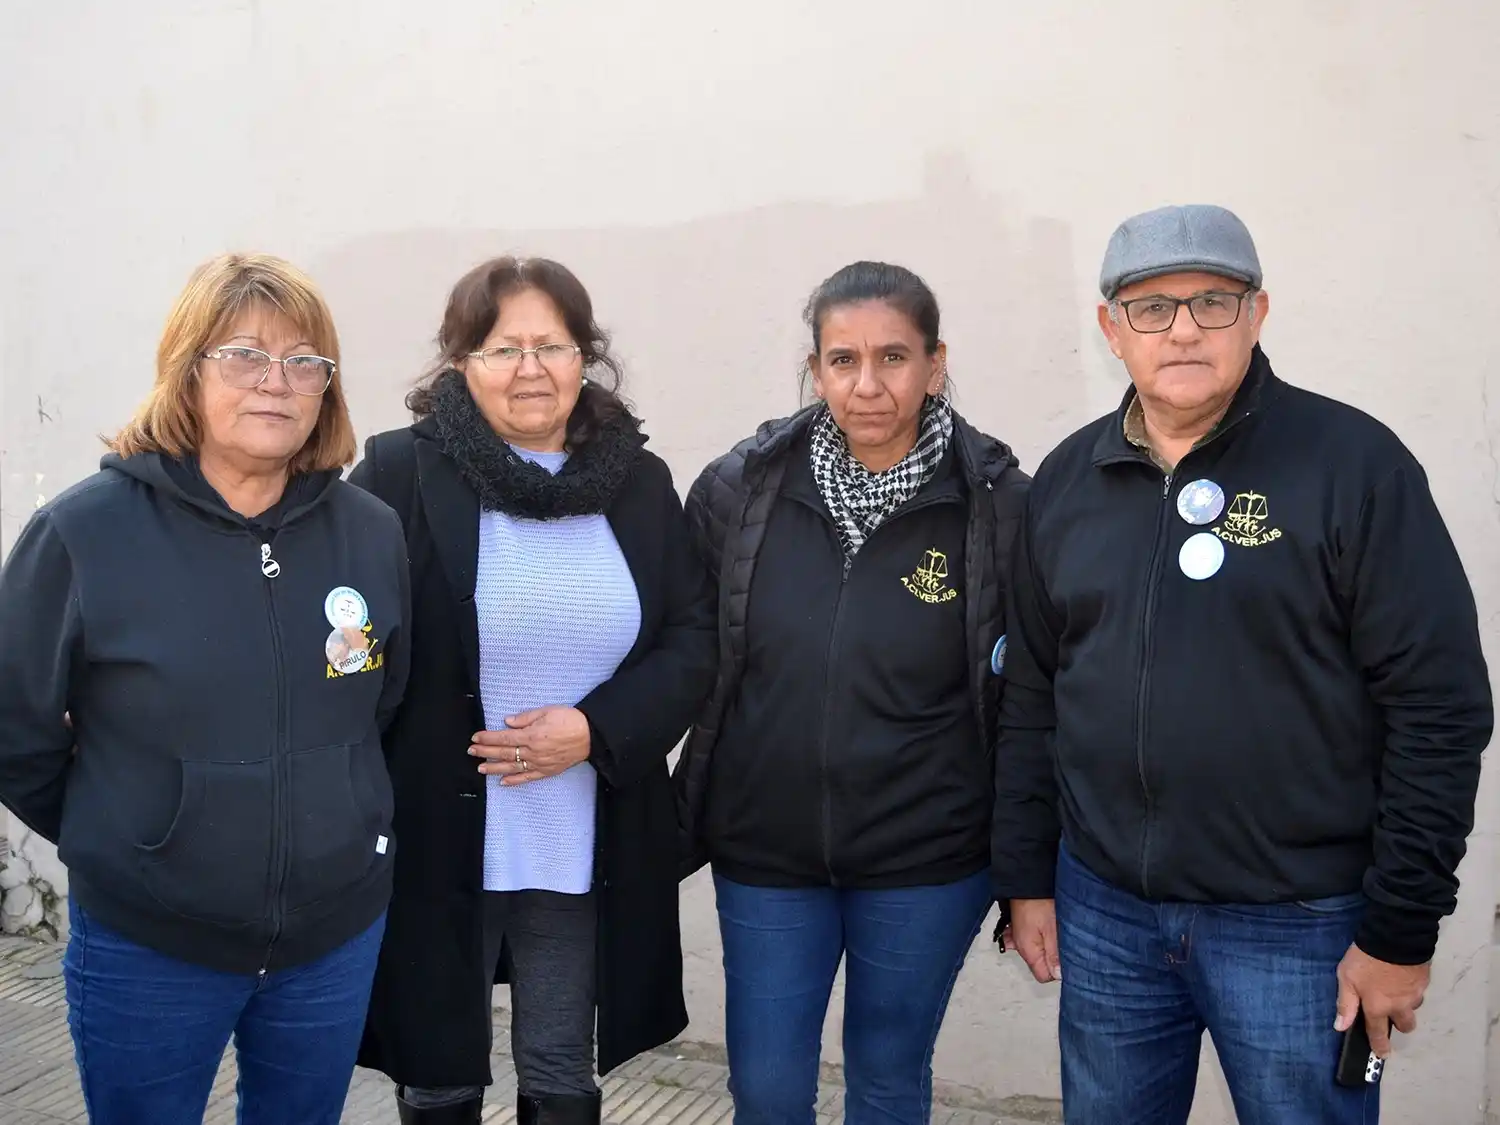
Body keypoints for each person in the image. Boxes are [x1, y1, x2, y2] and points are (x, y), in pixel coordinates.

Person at [992, 203, 1493, 1125]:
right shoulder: (1066, 481)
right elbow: (1032, 694)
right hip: (1108, 916)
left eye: (1212, 301)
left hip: (1301, 924)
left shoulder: (1355, 467)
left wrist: (1399, 929)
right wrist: (1027, 875)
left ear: (1257, 315)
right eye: (1151, 306)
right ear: (1111, 329)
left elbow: (1441, 708)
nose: (1182, 326)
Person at [0, 252, 412, 1125]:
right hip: (150, 944)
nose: (277, 382)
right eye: (244, 356)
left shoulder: (372, 532)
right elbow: (16, 728)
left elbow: (378, 702)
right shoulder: (81, 533)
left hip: (330, 940)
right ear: (186, 372)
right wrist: (133, 834)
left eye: (306, 361)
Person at [351, 255, 717, 1125]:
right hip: (439, 828)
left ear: (583, 356)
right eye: (501, 347)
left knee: (560, 1065)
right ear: (460, 364)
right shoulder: (401, 473)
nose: (528, 368)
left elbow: (692, 640)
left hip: (581, 828)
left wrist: (594, 730)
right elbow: (349, 633)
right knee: (439, 1068)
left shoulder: (639, 481)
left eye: (549, 345)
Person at [675, 261, 1030, 1125]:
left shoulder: (998, 505)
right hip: (767, 853)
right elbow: (684, 649)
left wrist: (1026, 863)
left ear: (935, 364)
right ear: (815, 366)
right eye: (842, 360)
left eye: (894, 358)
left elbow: (1030, 698)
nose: (867, 384)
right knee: (765, 1088)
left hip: (928, 858)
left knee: (886, 1076)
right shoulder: (740, 489)